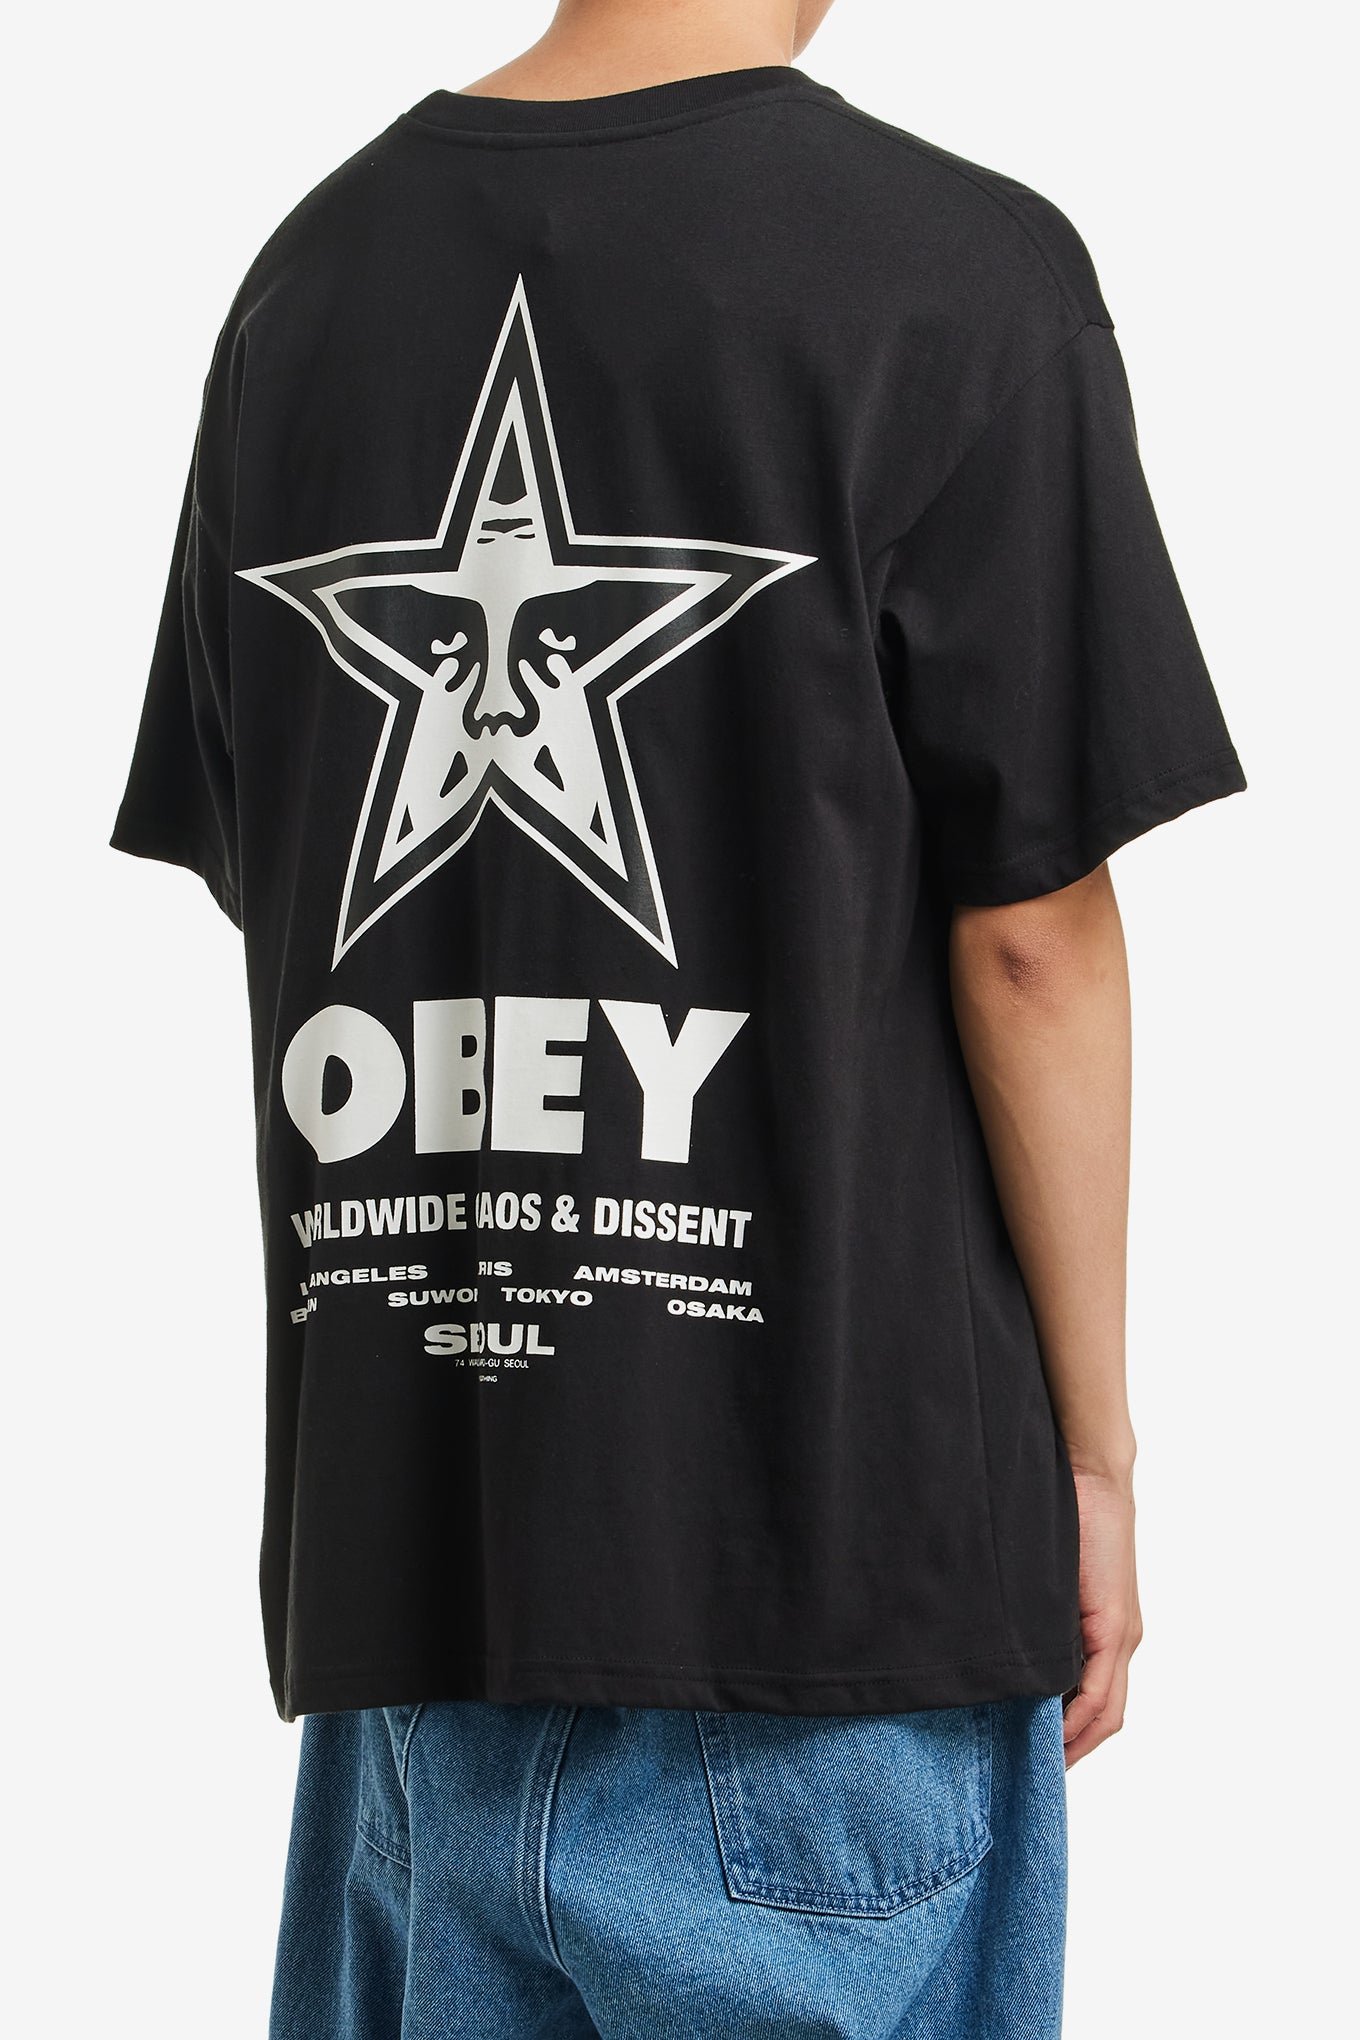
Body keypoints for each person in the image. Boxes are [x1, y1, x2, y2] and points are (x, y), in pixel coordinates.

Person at [110, 1, 1245, 2032]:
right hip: (824, 1571)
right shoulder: (955, 271)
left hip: (416, 1601)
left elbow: (272, 868)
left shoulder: (308, 282)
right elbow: (1032, 939)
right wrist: (1095, 1458)